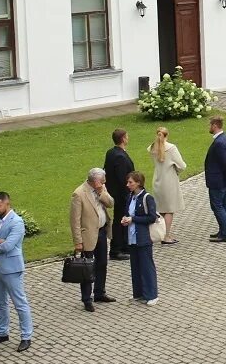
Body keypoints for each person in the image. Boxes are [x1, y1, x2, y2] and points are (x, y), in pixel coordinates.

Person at [0, 192, 33, 353]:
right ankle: (2, 332)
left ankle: (26, 336)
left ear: (7, 204)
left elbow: (8, 246)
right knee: (0, 303)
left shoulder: (16, 222)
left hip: (11, 269)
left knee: (20, 303)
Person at [68, 168, 114, 311]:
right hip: (87, 236)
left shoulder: (101, 188)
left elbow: (110, 203)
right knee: (87, 268)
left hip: (101, 232)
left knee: (102, 264)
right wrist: (78, 241)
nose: (105, 182)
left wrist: (101, 192)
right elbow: (74, 220)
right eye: (102, 181)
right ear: (95, 181)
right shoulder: (79, 194)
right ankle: (87, 299)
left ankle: (100, 292)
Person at [121, 172, 160, 305]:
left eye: (130, 182)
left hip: (143, 237)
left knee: (147, 266)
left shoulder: (147, 198)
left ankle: (152, 294)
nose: (128, 185)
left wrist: (133, 219)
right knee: (135, 267)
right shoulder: (130, 197)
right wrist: (125, 219)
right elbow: (127, 213)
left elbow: (152, 217)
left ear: (138, 183)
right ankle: (139, 294)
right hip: (132, 237)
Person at [147, 127, 186, 245]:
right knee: (169, 209)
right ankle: (166, 236)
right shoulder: (171, 148)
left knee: (162, 208)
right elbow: (182, 165)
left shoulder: (152, 147)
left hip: (157, 179)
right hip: (169, 181)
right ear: (167, 135)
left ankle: (163, 232)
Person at [203, 115, 226, 242]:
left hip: (217, 180)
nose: (209, 127)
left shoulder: (218, 142)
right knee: (225, 204)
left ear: (215, 126)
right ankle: (224, 229)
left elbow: (224, 162)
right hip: (223, 179)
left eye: (210, 125)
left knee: (217, 205)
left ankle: (225, 233)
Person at [103, 128, 134, 260]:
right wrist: (130, 191)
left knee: (120, 219)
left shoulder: (111, 152)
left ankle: (124, 245)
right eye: (127, 136)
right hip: (121, 194)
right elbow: (123, 178)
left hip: (115, 192)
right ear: (123, 139)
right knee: (121, 220)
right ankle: (117, 249)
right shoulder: (120, 156)